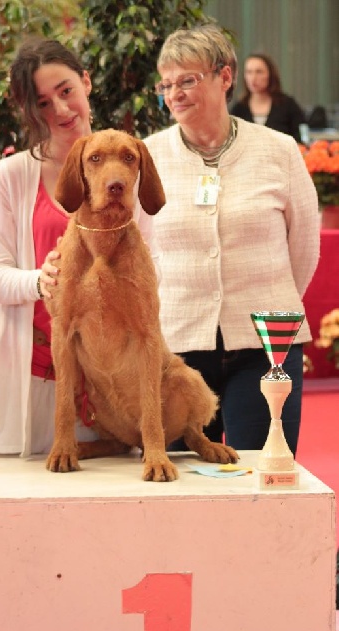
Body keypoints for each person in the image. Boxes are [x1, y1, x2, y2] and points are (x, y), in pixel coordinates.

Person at [0, 37, 153, 457]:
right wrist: (40, 279)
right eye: (44, 103)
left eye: (65, 91)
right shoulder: (13, 175)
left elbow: (150, 265)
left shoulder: (128, 165)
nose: (61, 110)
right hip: (29, 374)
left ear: (86, 82)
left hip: (107, 379)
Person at [143, 22, 320, 456]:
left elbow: (305, 246)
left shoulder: (278, 150)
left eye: (188, 80)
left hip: (264, 346)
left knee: (262, 476)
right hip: (177, 348)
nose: (175, 93)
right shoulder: (148, 155)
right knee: (180, 486)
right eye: (166, 84)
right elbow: (140, 250)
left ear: (225, 76)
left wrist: (270, 301)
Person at [231, 53, 306, 143]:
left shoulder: (288, 105)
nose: (253, 78)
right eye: (249, 72)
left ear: (270, 74)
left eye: (259, 72)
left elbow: (303, 137)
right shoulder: (239, 109)